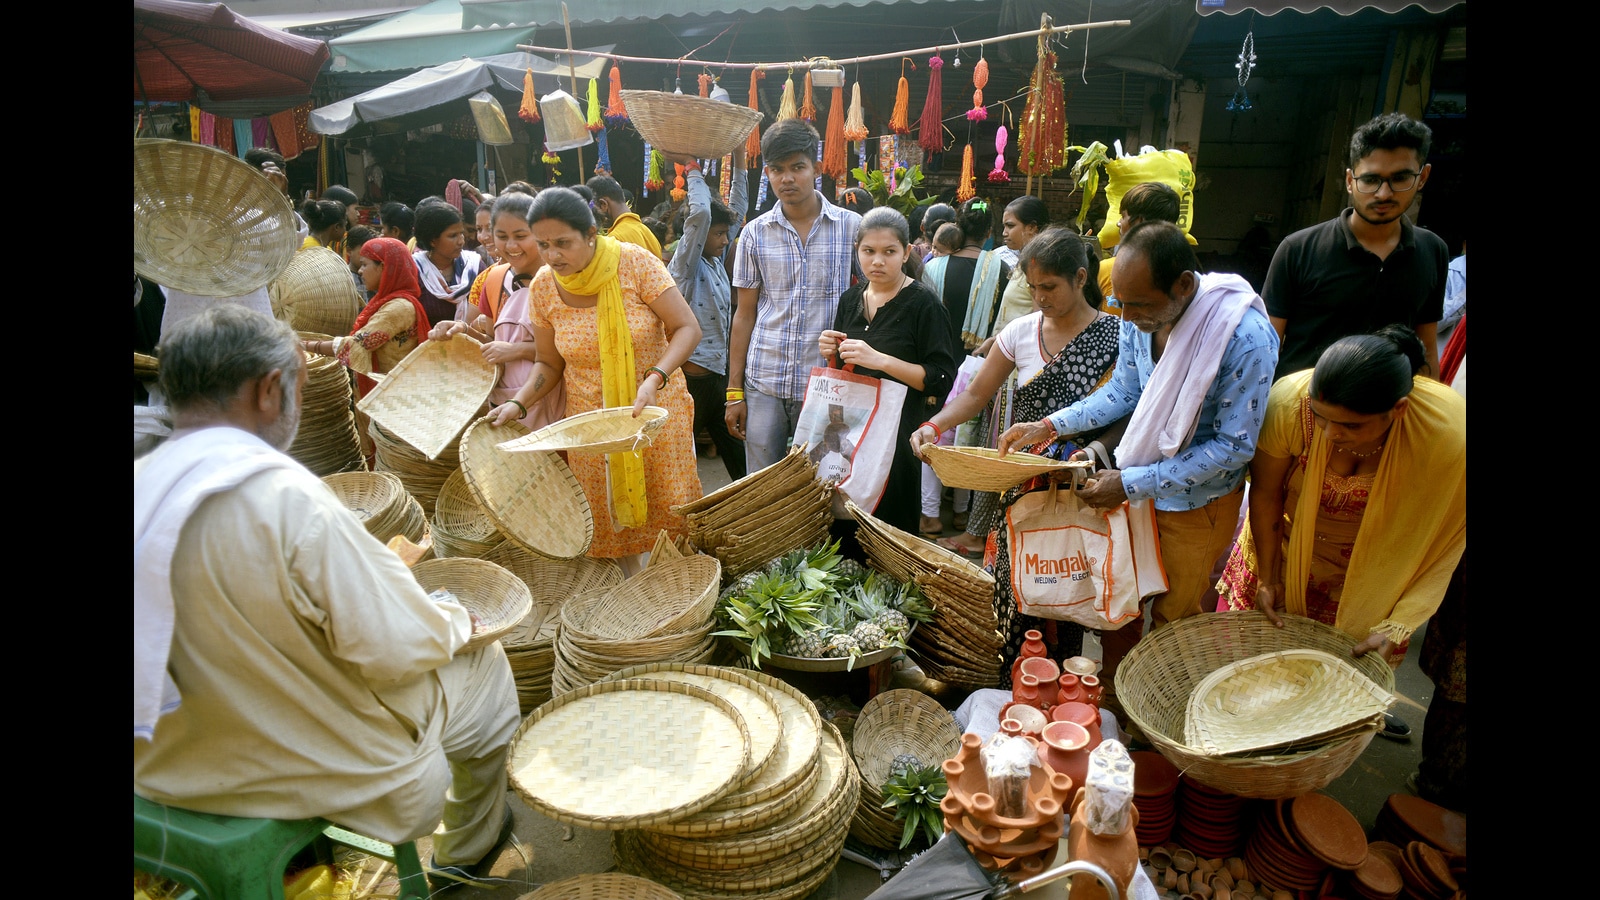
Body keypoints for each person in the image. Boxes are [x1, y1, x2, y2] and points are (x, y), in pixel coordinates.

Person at [134, 306, 521, 892]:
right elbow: (395, 648)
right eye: (298, 384)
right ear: (269, 390)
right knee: (483, 664)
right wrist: (451, 619)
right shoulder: (287, 499)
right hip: (299, 772)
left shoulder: (144, 481)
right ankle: (470, 846)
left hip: (160, 771)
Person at [999, 221, 1279, 713]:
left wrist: (1130, 482)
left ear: (1184, 287)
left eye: (1141, 306)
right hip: (1131, 490)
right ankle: (1111, 714)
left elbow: (1233, 447)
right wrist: (1050, 426)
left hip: (1195, 503)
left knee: (1176, 620)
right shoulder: (1133, 315)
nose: (1127, 317)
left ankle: (1159, 718)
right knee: (1118, 607)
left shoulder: (1244, 335)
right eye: (1121, 304)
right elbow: (1125, 391)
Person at [912, 228, 1120, 678]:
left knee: (1069, 584)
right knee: (1016, 581)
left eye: (1051, 287)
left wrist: (1097, 454)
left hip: (1083, 482)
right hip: (1024, 482)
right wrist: (933, 426)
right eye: (1033, 287)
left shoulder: (1115, 337)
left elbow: (1128, 410)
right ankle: (1013, 680)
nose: (1041, 298)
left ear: (1081, 277)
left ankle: (1065, 684)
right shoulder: (1021, 332)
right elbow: (974, 396)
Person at [1216, 325, 1465, 662]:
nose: (1331, 434)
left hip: (1369, 583)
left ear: (1399, 410)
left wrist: (1403, 619)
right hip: (1278, 552)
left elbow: (1445, 539)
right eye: (1321, 418)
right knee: (1244, 672)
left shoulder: (1446, 435)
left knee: (1331, 695)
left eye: (1351, 426)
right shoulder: (1291, 403)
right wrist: (1268, 578)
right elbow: (1266, 493)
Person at [488, 188, 702, 572]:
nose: (553, 255)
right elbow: (548, 365)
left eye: (563, 243)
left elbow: (686, 328)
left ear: (590, 233)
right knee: (609, 528)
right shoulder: (543, 287)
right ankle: (628, 607)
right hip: (592, 429)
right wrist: (518, 402)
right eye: (544, 244)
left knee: (669, 518)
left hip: (654, 416)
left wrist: (655, 377)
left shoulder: (635, 264)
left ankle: (679, 603)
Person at [1265, 112, 1446, 380]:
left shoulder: (1433, 251)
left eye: (1400, 178)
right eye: (1371, 180)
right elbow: (1266, 349)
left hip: (1388, 413)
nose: (1383, 193)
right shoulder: (1298, 250)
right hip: (1304, 410)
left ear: (1423, 177)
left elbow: (1427, 348)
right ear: (1350, 181)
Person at [727, 119, 863, 473]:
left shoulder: (852, 228)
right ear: (768, 173)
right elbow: (744, 314)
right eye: (777, 170)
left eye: (797, 168)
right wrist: (734, 390)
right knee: (761, 485)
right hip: (764, 379)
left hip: (827, 383)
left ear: (816, 169)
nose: (786, 179)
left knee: (823, 483)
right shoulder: (754, 234)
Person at [819, 207, 956, 535]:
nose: (877, 261)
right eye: (869, 251)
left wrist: (880, 360)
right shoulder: (850, 299)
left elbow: (941, 378)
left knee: (887, 530)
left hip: (896, 437)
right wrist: (830, 352)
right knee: (843, 527)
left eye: (889, 252)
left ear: (906, 252)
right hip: (849, 434)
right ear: (858, 251)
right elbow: (843, 369)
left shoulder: (924, 305)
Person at [432, 192, 566, 431]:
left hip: (560, 406)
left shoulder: (563, 280)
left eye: (521, 236)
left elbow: (571, 350)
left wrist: (516, 350)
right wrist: (462, 330)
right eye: (502, 236)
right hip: (507, 402)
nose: (511, 246)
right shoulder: (493, 279)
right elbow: (494, 342)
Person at [918, 197, 1011, 538]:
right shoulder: (1002, 270)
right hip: (982, 369)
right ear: (989, 232)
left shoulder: (932, 268)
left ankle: (929, 513)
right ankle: (961, 513)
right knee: (970, 438)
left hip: (937, 364)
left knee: (934, 434)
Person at [666, 151, 749, 481]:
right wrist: (693, 170)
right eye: (718, 234)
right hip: (693, 383)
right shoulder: (686, 266)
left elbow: (738, 211)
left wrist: (740, 157)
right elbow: (699, 213)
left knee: (743, 464)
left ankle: (761, 519)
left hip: (719, 379)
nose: (726, 240)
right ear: (699, 237)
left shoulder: (716, 259)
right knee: (677, 463)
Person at [303, 236, 428, 398]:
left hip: (390, 397)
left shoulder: (398, 308)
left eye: (364, 264)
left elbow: (357, 344)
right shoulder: (388, 301)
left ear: (383, 267)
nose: (360, 271)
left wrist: (306, 345)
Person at [1101, 182, 1182, 317]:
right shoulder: (1182, 276)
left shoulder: (1107, 270)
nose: (1119, 223)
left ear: (1138, 222)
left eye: (1123, 216)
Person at [412, 203, 482, 328]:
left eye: (461, 233)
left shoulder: (474, 266)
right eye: (453, 236)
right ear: (432, 240)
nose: (461, 241)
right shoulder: (415, 271)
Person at [995, 196, 1052, 329]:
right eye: (1004, 226)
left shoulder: (1037, 264)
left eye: (1010, 226)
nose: (1004, 233)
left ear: (1031, 227)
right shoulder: (1026, 260)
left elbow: (1041, 321)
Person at [588, 175, 664, 259]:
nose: (594, 216)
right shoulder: (648, 233)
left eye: (594, 210)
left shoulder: (614, 240)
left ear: (603, 204)